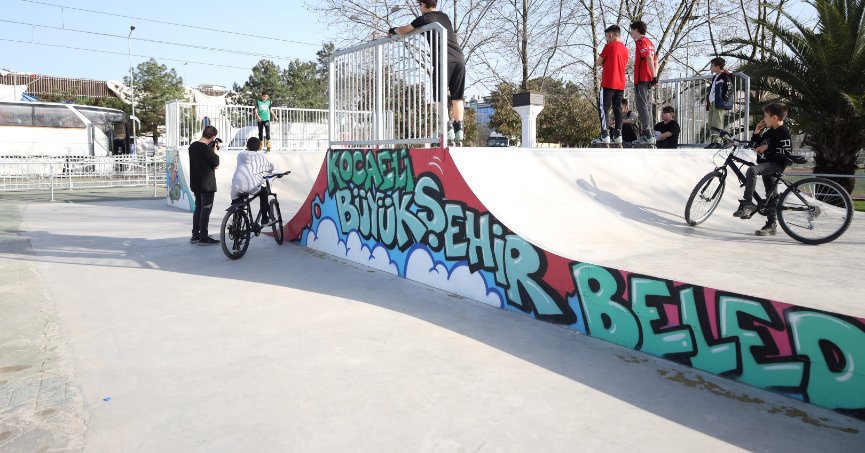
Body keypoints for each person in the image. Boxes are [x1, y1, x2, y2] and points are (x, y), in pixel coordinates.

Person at [388, 0, 466, 145]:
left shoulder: (425, 18)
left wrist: (393, 30)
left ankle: (447, 127)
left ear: (423, 5)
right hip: (460, 59)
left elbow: (405, 30)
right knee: (457, 97)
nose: (419, 8)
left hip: (443, 61)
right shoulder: (444, 16)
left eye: (419, 5)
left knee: (439, 97)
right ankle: (459, 130)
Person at [732, 103, 793, 236]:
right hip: (767, 164)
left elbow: (787, 151)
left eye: (766, 116)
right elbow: (755, 146)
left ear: (775, 118)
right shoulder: (769, 131)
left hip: (775, 164)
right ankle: (771, 224)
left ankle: (747, 203)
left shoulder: (783, 131)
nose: (763, 119)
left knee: (752, 170)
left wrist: (768, 148)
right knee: (771, 194)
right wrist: (757, 132)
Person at [591, 25, 629, 146]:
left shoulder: (609, 46)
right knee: (618, 108)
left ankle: (605, 134)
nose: (607, 39)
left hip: (608, 82)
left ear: (611, 34)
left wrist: (606, 62)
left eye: (607, 36)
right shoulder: (625, 49)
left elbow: (598, 62)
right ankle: (618, 135)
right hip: (621, 83)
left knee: (604, 108)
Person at [230, 137, 278, 227]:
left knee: (237, 203)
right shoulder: (261, 156)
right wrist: (278, 172)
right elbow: (270, 167)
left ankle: (236, 225)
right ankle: (264, 219)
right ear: (259, 147)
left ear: (247, 146)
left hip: (237, 184)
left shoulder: (240, 155)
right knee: (264, 193)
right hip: (251, 184)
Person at [189, 125, 220, 245]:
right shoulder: (206, 149)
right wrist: (215, 151)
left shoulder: (193, 146)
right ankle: (203, 237)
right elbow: (216, 164)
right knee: (206, 210)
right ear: (212, 137)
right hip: (207, 184)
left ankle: (195, 235)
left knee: (198, 208)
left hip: (195, 182)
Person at [628, 20, 658, 145]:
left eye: (631, 30)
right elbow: (657, 61)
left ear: (636, 30)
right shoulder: (650, 42)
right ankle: (649, 133)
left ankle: (648, 133)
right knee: (647, 106)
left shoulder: (641, 42)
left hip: (642, 79)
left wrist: (654, 76)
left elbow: (650, 58)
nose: (630, 33)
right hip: (647, 79)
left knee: (642, 106)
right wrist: (654, 76)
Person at [705, 57, 734, 147]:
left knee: (717, 122)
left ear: (717, 67)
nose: (710, 68)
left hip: (718, 102)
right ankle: (726, 139)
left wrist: (724, 100)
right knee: (711, 123)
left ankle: (716, 142)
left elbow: (729, 88)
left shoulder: (725, 76)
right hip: (712, 102)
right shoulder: (715, 77)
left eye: (712, 66)